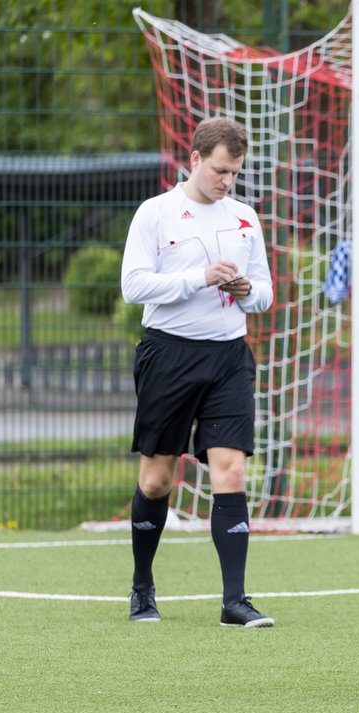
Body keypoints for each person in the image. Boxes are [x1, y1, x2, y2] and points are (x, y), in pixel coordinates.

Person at [120, 117, 275, 628]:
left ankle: (236, 601)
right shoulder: (156, 214)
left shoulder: (245, 217)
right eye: (219, 170)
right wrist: (199, 278)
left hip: (229, 357)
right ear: (194, 159)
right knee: (159, 478)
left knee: (230, 470)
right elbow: (134, 287)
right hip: (168, 356)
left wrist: (245, 291)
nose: (227, 181)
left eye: (234, 173)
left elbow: (265, 294)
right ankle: (142, 587)